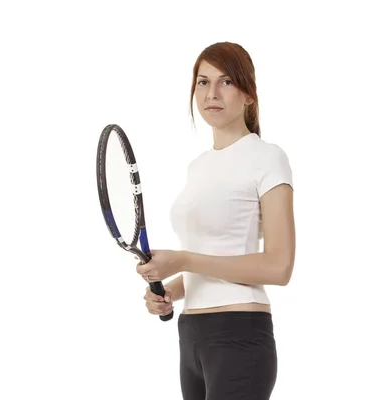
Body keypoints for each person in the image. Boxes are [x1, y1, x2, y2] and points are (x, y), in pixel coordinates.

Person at [135, 41, 295, 399]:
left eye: (226, 81)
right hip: (191, 334)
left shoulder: (267, 158)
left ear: (248, 95)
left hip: (239, 334)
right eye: (203, 82)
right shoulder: (198, 166)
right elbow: (212, 254)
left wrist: (183, 260)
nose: (212, 92)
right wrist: (170, 290)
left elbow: (279, 266)